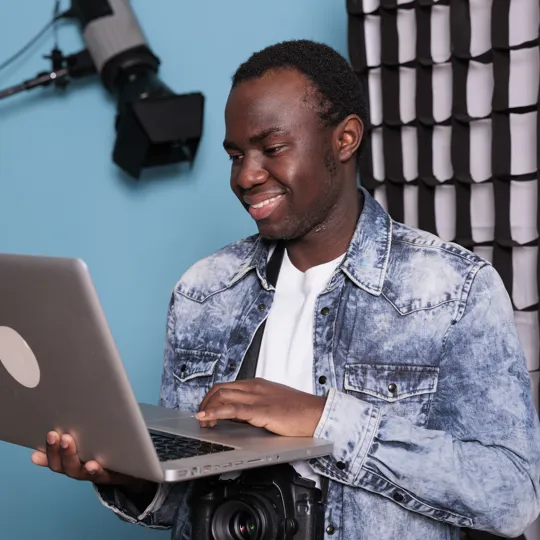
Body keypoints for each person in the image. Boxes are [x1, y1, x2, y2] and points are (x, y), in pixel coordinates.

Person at [31, 39, 540, 540]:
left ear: (344, 139)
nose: (247, 176)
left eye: (271, 149)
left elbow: (512, 497)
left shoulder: (451, 290)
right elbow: (185, 501)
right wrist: (127, 477)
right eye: (235, 155)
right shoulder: (202, 291)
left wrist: (325, 420)